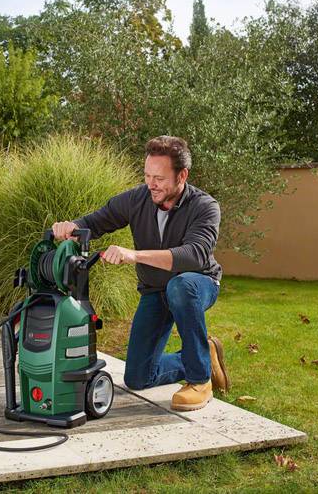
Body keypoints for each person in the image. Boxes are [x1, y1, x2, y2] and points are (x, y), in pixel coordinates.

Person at [52, 135, 229, 411]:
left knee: (180, 287)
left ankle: (200, 379)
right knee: (138, 377)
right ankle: (201, 356)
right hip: (156, 290)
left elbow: (194, 255)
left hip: (198, 283)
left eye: (158, 178)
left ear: (182, 175)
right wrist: (71, 227)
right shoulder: (138, 198)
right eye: (147, 175)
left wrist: (133, 255)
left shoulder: (205, 207)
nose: (151, 184)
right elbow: (97, 221)